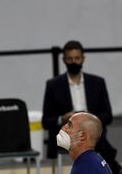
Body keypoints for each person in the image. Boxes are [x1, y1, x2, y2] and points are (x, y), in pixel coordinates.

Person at [42, 40, 121, 174]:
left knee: (93, 133)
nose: (73, 62)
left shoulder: (97, 82)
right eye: (70, 58)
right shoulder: (53, 85)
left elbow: (107, 115)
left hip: (90, 130)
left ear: (83, 59)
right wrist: (64, 118)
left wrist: (89, 118)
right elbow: (46, 121)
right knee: (95, 140)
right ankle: (113, 167)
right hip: (67, 129)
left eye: (77, 58)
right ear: (64, 60)